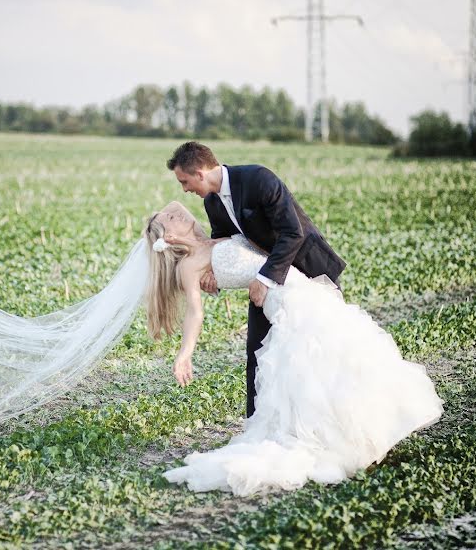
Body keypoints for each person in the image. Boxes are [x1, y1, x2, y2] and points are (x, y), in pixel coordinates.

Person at [143, 201, 443, 495]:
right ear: (168, 238)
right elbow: (195, 313)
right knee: (315, 364)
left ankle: (367, 427)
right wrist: (185, 353)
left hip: (300, 287)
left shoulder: (213, 240)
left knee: (339, 355)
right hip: (285, 303)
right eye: (169, 217)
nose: (177, 211)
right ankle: (335, 438)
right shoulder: (189, 266)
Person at [167, 141, 346, 418]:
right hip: (266, 285)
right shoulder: (212, 203)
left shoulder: (258, 179)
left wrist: (264, 278)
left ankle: (330, 415)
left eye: (185, 181)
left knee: (320, 347)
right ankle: (259, 424)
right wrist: (211, 277)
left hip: (307, 272)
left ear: (200, 172)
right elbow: (226, 245)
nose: (185, 189)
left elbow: (292, 233)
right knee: (258, 353)